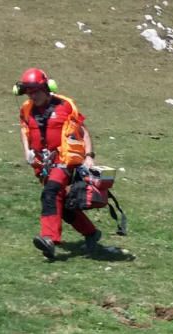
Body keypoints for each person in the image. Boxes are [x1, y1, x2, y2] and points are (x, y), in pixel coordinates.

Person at [15, 67, 109, 260]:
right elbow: (25, 130)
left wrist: (89, 155)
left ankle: (49, 239)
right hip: (43, 164)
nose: (32, 96)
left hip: (65, 161)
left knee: (50, 193)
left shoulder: (65, 106)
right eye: (29, 92)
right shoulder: (26, 109)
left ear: (45, 88)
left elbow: (82, 130)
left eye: (35, 91)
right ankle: (91, 232)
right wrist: (27, 151)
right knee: (63, 205)